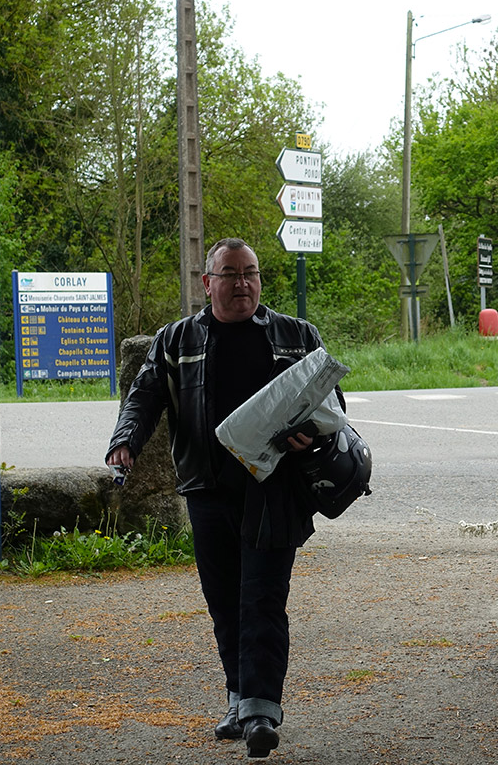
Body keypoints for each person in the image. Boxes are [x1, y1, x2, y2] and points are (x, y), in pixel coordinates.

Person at [106, 238, 332, 759]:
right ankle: (237, 697)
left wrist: (312, 434)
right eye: (230, 274)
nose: (242, 283)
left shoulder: (296, 335)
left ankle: (260, 712)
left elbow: (330, 403)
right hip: (208, 491)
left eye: (250, 272)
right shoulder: (176, 339)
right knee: (226, 602)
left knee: (263, 597)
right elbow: (144, 396)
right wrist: (125, 442)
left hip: (275, 489)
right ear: (207, 283)